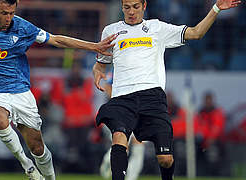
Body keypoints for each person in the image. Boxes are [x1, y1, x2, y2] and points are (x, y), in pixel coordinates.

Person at [0, 0, 116, 179]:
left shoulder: (23, 28)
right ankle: (27, 166)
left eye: (12, 13)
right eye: (4, 13)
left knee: (38, 148)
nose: (9, 18)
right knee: (0, 121)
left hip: (19, 92)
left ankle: (49, 177)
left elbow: (56, 40)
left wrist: (93, 46)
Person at [92, 0, 240, 180]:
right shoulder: (110, 31)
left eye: (136, 7)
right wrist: (98, 72)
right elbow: (101, 65)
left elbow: (196, 33)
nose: (131, 12)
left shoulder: (157, 28)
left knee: (165, 159)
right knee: (119, 138)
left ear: (144, 6)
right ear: (122, 7)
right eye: (127, 7)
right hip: (122, 97)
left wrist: (216, 8)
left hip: (151, 96)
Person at [99, 69, 145, 180]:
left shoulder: (143, 69)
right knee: (123, 145)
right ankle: (107, 163)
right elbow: (107, 86)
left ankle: (131, 178)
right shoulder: (119, 68)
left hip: (137, 113)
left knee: (139, 145)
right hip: (119, 113)